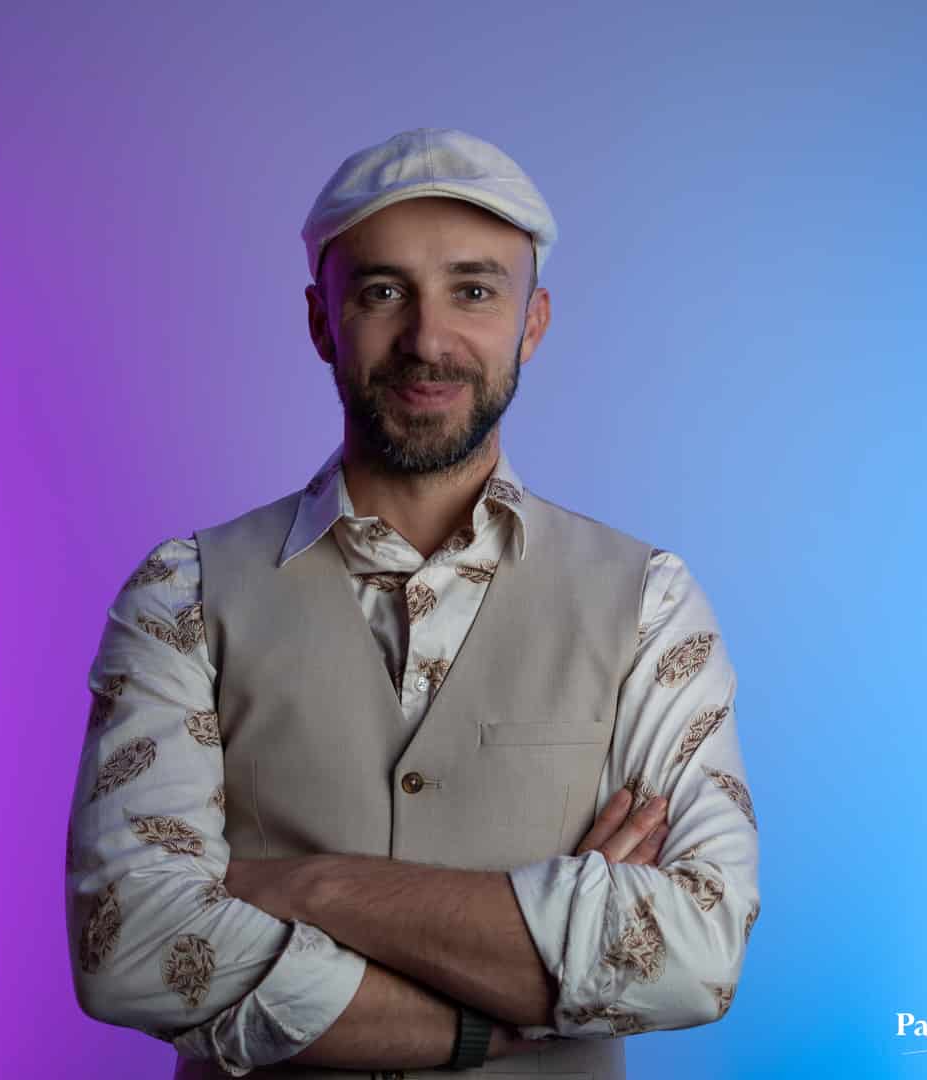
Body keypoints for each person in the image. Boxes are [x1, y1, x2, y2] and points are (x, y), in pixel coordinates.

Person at [65, 127, 760, 1080]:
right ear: (323, 323)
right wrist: (511, 999)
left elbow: (697, 956)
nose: (428, 340)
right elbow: (128, 947)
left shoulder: (647, 604)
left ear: (533, 322)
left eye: (474, 291)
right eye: (383, 292)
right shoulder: (181, 593)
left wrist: (309, 887)